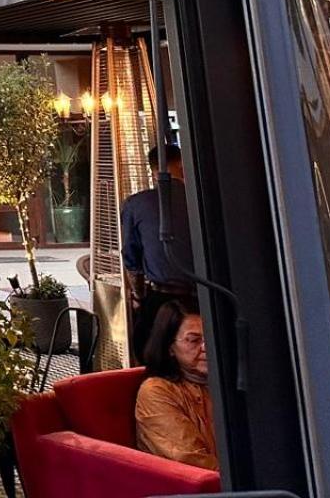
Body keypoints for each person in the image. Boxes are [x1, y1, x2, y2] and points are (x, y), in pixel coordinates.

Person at [121, 145, 195, 360]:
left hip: (161, 299)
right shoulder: (200, 199)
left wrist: (138, 296)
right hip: (205, 296)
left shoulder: (137, 204)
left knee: (151, 355)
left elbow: (131, 259)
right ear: (182, 166)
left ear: (153, 171)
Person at [135, 299, 218, 472]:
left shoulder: (226, 380)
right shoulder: (156, 391)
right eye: (194, 340)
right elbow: (191, 460)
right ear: (170, 348)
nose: (207, 347)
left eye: (211, 337)